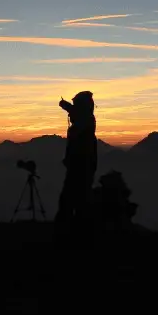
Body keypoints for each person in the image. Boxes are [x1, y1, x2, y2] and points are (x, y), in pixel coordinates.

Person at [55, 91, 98, 237]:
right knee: (78, 197)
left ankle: (71, 231)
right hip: (81, 164)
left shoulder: (85, 119)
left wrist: (66, 106)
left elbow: (76, 117)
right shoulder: (87, 118)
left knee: (74, 197)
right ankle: (78, 230)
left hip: (81, 165)